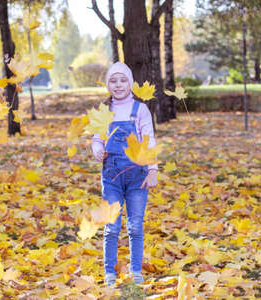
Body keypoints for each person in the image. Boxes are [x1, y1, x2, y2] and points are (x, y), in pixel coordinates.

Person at [92, 62, 158, 286]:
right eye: (113, 80)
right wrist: (97, 150)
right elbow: (97, 138)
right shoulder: (104, 111)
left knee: (135, 225)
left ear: (130, 83)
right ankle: (109, 271)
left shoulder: (140, 110)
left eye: (122, 80)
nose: (118, 84)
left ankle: (136, 269)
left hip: (137, 177)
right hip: (111, 177)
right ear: (108, 85)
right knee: (111, 226)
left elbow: (149, 140)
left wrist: (152, 170)